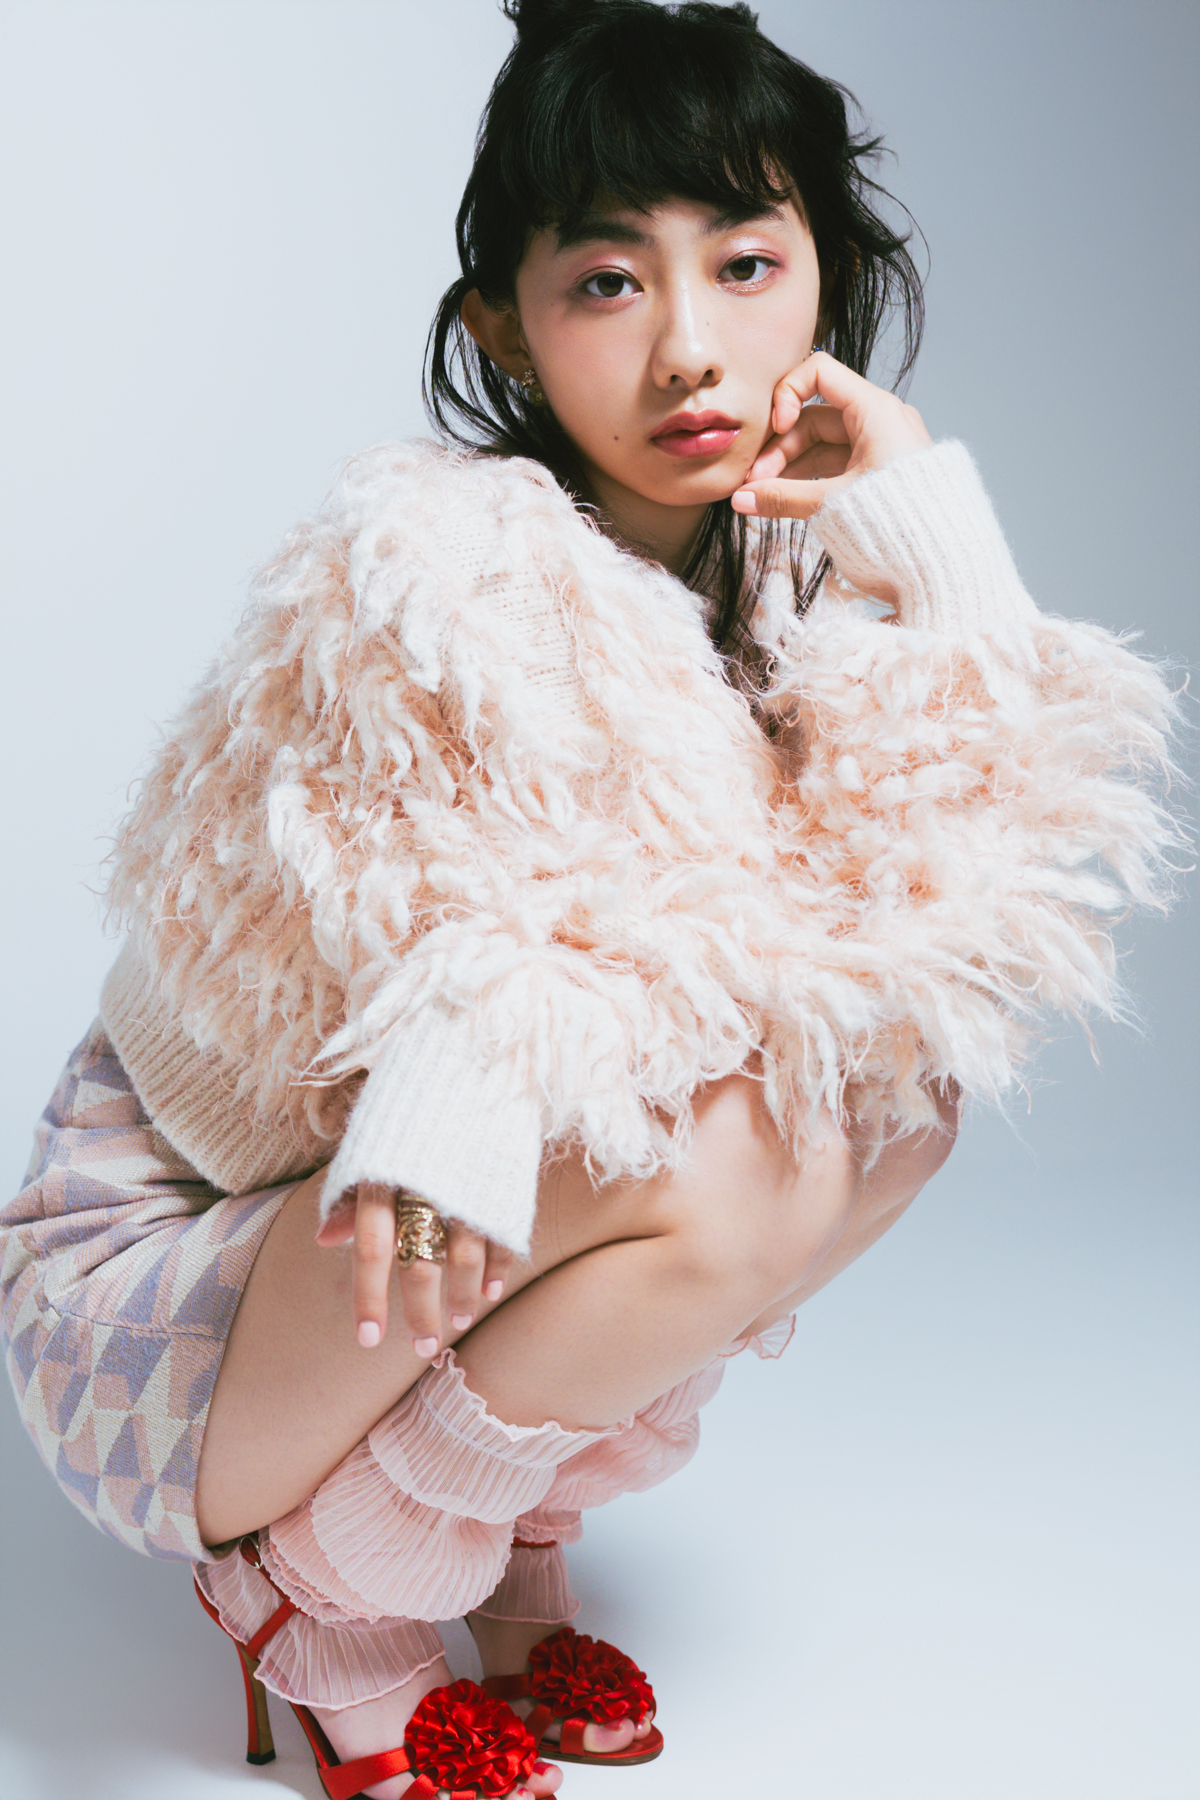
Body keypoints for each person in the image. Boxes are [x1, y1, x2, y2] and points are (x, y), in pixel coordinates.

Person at [0, 2, 1178, 1797]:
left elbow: (953, 903)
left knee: (891, 1099)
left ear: (829, 276)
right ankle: (322, 1589)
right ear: (505, 323)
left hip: (387, 1260)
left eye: (749, 263)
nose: (692, 349)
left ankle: (480, 1539)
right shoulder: (428, 557)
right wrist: (487, 1072)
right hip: (172, 1292)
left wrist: (926, 534)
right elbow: (440, 928)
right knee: (721, 1158)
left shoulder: (777, 570)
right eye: (610, 283)